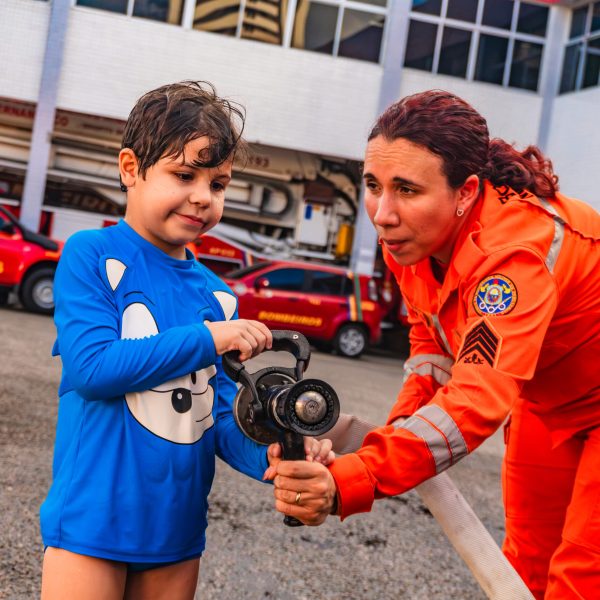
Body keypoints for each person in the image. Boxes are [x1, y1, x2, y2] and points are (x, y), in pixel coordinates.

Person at [265, 90, 600, 599]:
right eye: (374, 185)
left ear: (464, 192)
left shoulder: (513, 256)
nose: (382, 213)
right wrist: (381, 446)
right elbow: (432, 348)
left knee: (580, 578)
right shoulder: (412, 238)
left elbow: (474, 401)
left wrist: (357, 477)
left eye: (406, 188)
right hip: (545, 402)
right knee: (524, 568)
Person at [39, 81, 332, 600]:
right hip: (92, 522)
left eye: (218, 184)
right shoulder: (90, 254)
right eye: (184, 175)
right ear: (130, 168)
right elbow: (92, 368)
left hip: (176, 536)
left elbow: (217, 415)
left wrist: (271, 452)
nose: (202, 196)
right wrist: (207, 337)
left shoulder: (219, 296)